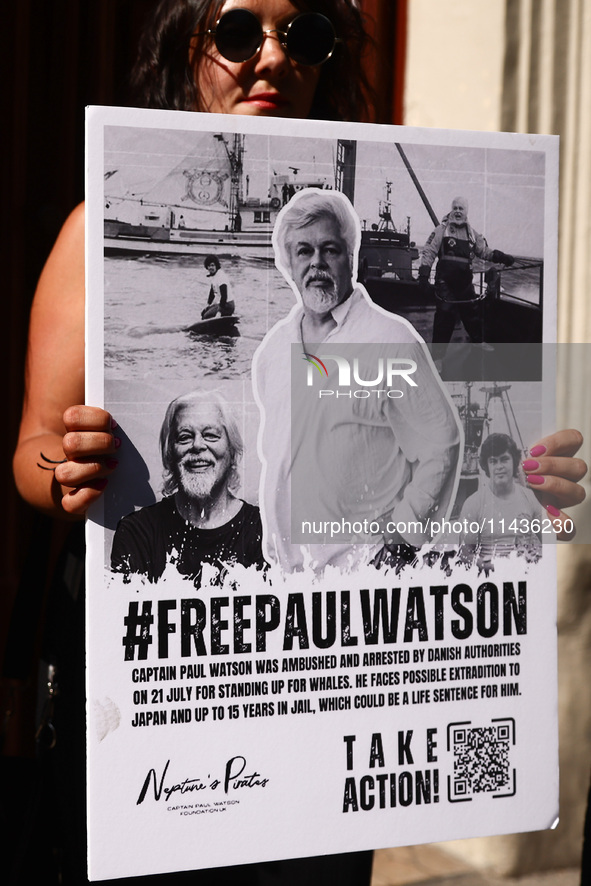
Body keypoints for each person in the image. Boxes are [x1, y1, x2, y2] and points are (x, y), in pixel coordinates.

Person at [10, 1, 586, 884]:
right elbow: (34, 449)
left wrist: (520, 485)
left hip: (321, 664)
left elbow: (451, 441)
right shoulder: (100, 238)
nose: (272, 58)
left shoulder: (390, 325)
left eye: (304, 36)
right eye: (239, 32)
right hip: (160, 661)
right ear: (188, 50)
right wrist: (66, 468)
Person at [253, 188, 462, 574]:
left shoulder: (392, 342)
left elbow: (441, 443)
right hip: (288, 577)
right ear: (288, 264)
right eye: (304, 251)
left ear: (351, 256)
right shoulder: (273, 352)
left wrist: (404, 538)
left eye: (329, 249)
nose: (317, 263)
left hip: (361, 577)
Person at [111, 390, 264, 583]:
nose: (197, 445)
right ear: (170, 454)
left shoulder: (264, 530)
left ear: (231, 450)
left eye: (210, 435)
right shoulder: (137, 533)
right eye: (184, 437)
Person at [417, 196, 515, 344]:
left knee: (472, 315)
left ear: (466, 211)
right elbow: (429, 252)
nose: (457, 212)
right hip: (445, 284)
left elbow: (484, 252)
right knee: (444, 318)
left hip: (464, 283)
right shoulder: (441, 230)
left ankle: (479, 342)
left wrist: (501, 257)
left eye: (460, 208)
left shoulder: (472, 234)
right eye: (454, 208)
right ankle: (437, 358)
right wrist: (424, 275)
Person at [457, 432, 542, 575]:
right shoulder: (473, 504)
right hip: (491, 583)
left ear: (514, 462)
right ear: (486, 466)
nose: (499, 466)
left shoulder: (530, 498)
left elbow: (551, 542)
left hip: (525, 580)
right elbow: (465, 554)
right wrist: (493, 566)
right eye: (493, 461)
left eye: (504, 460)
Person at [201, 255, 235, 319]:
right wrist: (208, 305)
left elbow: (224, 296)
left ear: (216, 266)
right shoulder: (214, 276)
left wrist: (219, 313)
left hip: (228, 305)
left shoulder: (221, 276)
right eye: (209, 266)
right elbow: (212, 292)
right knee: (203, 313)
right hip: (222, 304)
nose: (211, 268)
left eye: (212, 265)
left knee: (206, 316)